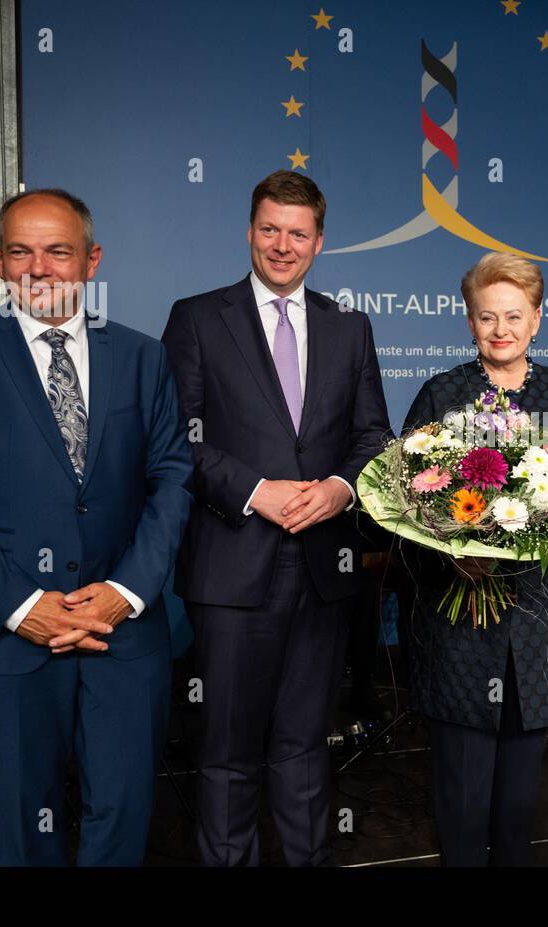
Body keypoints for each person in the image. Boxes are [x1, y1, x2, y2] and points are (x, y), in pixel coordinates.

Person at [0, 189, 193, 865]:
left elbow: (172, 479)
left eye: (58, 251)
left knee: (123, 819)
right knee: (26, 831)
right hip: (8, 637)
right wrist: (20, 605)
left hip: (125, 633)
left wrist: (128, 590)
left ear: (91, 260)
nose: (40, 268)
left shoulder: (143, 358)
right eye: (21, 251)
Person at [161, 170, 389, 866]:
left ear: (319, 242)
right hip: (233, 562)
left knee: (303, 744)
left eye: (297, 233)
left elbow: (372, 436)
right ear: (250, 231)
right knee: (227, 749)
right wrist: (256, 490)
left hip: (323, 566)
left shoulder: (349, 327)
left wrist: (340, 490)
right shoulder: (198, 317)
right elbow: (180, 438)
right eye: (269, 230)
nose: (281, 246)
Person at [401, 252, 548, 866]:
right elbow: (405, 497)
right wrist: (451, 552)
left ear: (537, 319)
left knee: (519, 808)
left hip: (541, 627)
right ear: (468, 322)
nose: (501, 330)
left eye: (514, 316)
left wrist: (544, 524)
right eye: (487, 317)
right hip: (462, 627)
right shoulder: (443, 394)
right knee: (461, 807)